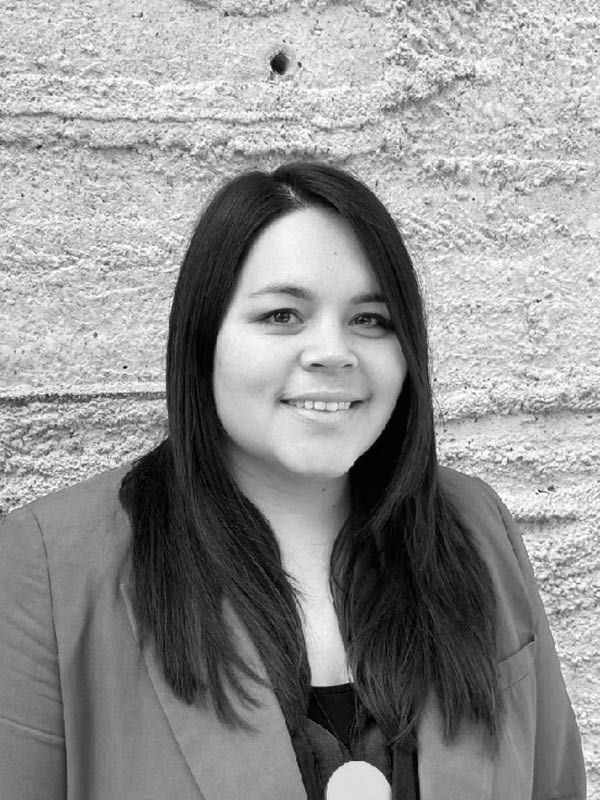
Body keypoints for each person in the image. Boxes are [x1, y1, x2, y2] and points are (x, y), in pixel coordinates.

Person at [0, 162, 586, 800]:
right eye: (282, 315)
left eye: (371, 319)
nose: (333, 352)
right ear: (203, 340)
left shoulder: (476, 523)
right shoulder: (48, 567)